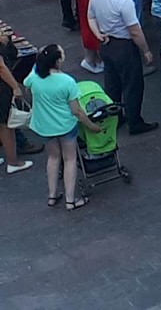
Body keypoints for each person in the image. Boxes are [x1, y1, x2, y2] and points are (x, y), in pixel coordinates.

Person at [23, 44, 103, 210]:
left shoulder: (35, 76)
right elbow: (77, 111)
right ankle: (70, 200)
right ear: (58, 61)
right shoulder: (67, 82)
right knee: (70, 159)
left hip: (44, 125)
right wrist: (92, 126)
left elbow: (27, 84)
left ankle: (52, 195)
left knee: (53, 158)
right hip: (65, 126)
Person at [87, 0, 158, 135]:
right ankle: (135, 122)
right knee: (132, 84)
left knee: (112, 84)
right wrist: (146, 50)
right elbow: (134, 31)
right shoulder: (123, 0)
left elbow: (90, 16)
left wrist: (98, 34)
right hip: (124, 46)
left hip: (106, 44)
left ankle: (115, 117)